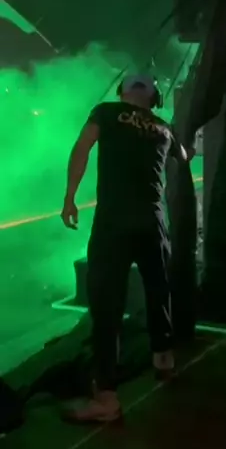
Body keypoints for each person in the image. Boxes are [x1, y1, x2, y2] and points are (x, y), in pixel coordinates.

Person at [61, 75, 187, 423]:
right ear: (154, 97)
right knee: (158, 291)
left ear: (122, 92)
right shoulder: (163, 127)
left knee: (107, 304)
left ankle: (106, 397)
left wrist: (70, 196)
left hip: (114, 222)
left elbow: (82, 148)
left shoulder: (106, 112)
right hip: (153, 222)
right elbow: (184, 157)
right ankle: (164, 361)